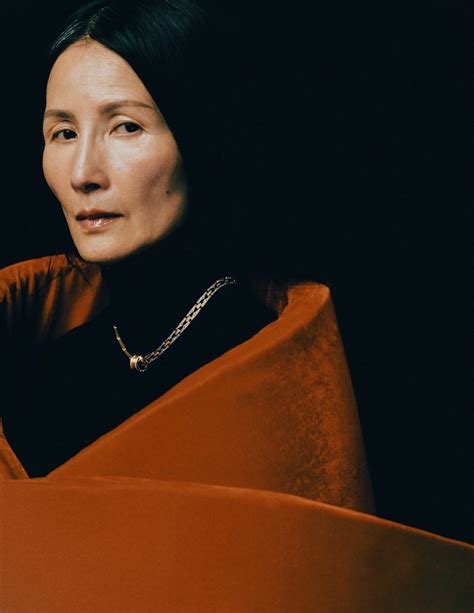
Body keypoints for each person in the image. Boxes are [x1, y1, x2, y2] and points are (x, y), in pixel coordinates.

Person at [1, 1, 471, 610]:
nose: (84, 172)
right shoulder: (40, 370)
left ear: (201, 135)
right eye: (63, 133)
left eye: (126, 127)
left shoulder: (274, 363)